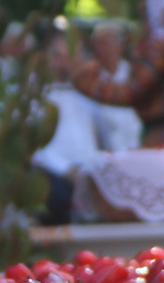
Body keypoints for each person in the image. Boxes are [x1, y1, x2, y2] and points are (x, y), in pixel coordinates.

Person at [33, 31, 142, 224]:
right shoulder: (35, 95)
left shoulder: (89, 90)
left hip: (89, 169)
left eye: (70, 56)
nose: (64, 63)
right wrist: (67, 170)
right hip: (52, 172)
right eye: (58, 56)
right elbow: (36, 148)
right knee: (56, 197)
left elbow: (114, 129)